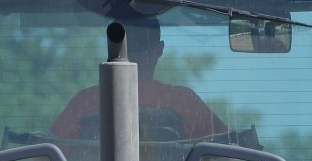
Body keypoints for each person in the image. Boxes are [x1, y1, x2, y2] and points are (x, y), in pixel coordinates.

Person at [50, 20, 228, 145]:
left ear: (112, 49)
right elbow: (228, 156)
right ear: (159, 50)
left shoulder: (86, 102)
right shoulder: (185, 102)